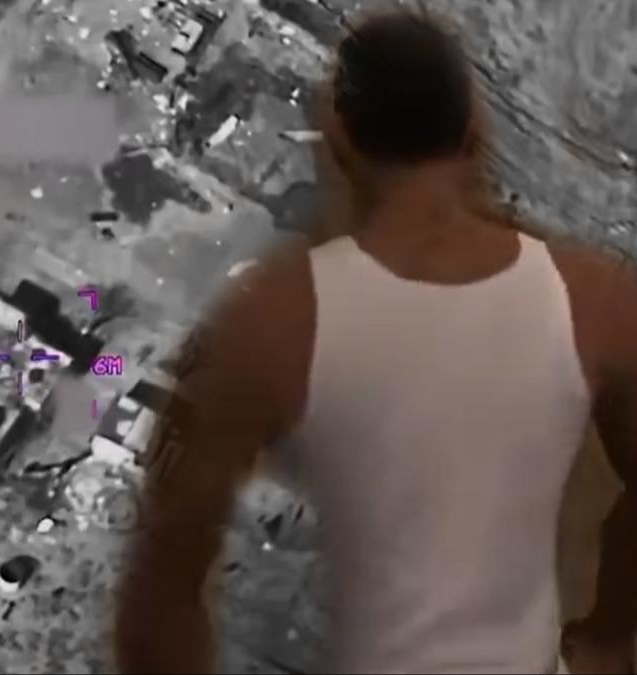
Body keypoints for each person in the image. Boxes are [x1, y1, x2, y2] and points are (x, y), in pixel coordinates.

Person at [115, 10, 637, 674]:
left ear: (339, 145)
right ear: (471, 136)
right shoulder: (590, 295)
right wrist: (605, 637)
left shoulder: (271, 319)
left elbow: (165, 581)